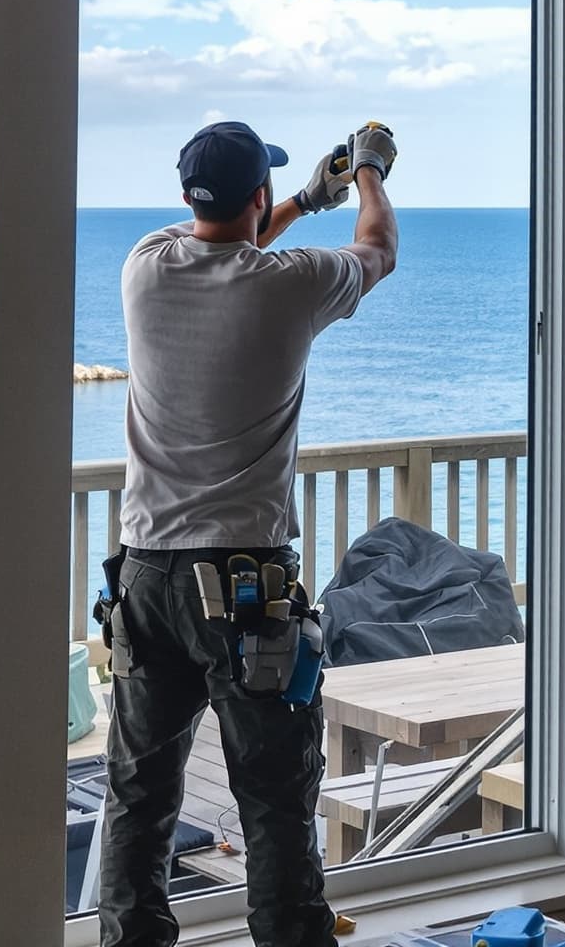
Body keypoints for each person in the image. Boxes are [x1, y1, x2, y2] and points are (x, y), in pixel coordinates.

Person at [98, 118, 399, 947]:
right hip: (244, 590)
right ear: (256, 193)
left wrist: (303, 199)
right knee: (272, 802)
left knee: (139, 795)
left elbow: (228, 241)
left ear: (186, 194)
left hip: (146, 578)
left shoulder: (145, 268)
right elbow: (377, 250)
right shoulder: (289, 285)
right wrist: (367, 174)